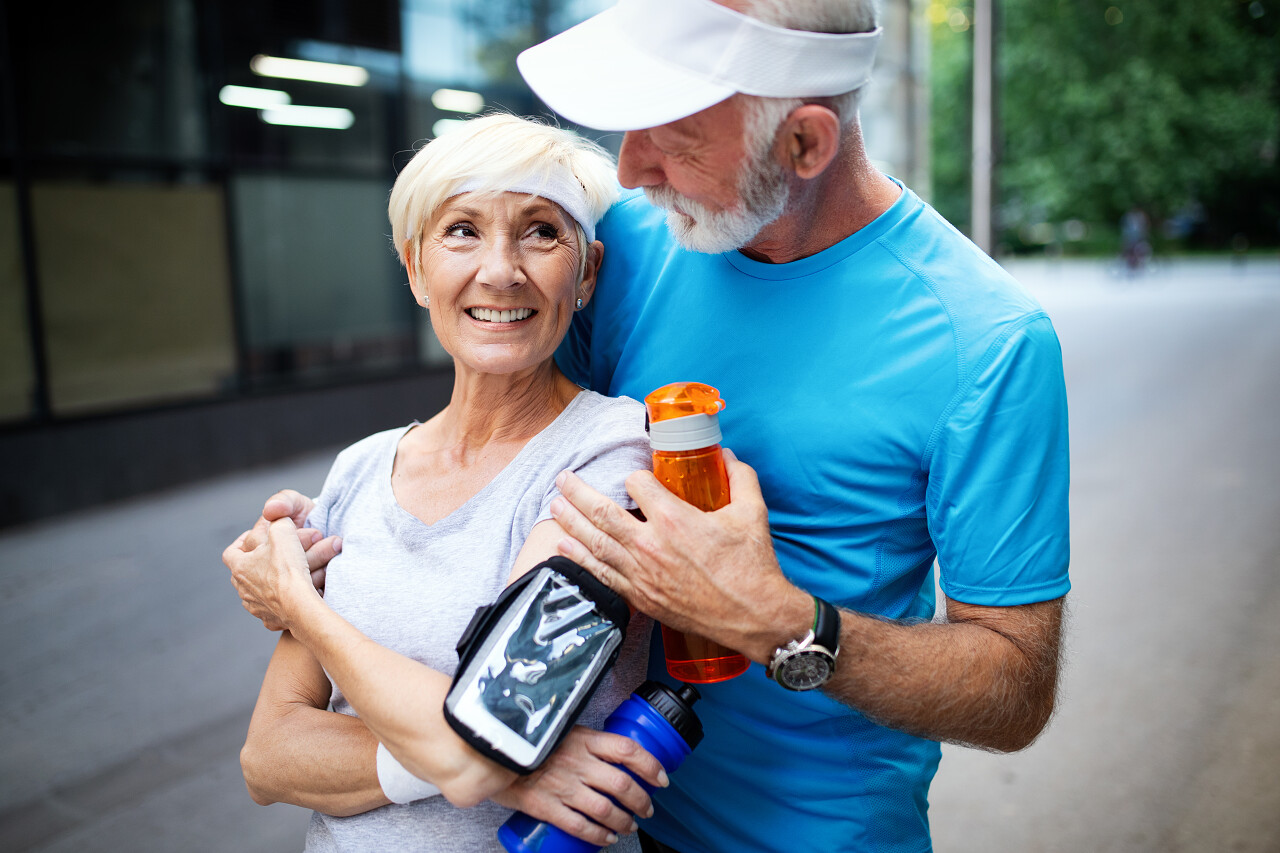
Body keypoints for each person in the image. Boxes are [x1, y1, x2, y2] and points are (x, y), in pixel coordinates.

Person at [246, 0, 1071, 850]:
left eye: (672, 139)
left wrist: (781, 617)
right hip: (626, 824)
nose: (631, 170)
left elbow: (1013, 688)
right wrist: (329, 539)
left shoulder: (986, 342)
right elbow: (509, 447)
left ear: (805, 143)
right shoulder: (635, 244)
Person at [222, 113, 668, 853]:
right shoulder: (361, 468)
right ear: (415, 269)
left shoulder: (610, 455)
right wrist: (505, 767)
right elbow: (267, 757)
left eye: (540, 232)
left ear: (585, 272)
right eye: (462, 230)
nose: (500, 270)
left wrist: (298, 601)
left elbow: (491, 729)